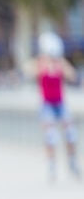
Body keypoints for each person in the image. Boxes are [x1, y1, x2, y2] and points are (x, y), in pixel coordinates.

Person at [24, 31, 81, 182]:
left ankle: (72, 162)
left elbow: (73, 76)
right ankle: (51, 165)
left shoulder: (61, 63)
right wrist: (41, 64)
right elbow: (27, 72)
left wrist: (62, 67)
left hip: (60, 103)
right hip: (46, 105)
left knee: (70, 134)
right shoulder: (39, 63)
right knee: (51, 136)